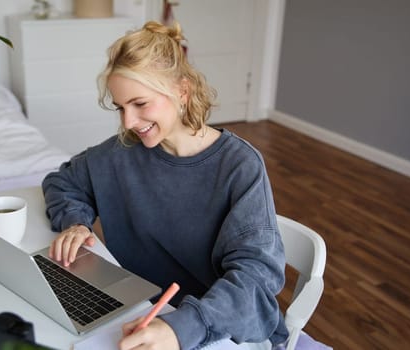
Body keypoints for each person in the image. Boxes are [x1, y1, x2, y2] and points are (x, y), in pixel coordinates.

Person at [42, 20, 288, 350]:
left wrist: (182, 329)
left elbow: (256, 281)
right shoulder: (121, 151)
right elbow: (62, 181)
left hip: (216, 325)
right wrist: (74, 222)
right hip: (141, 311)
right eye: (121, 108)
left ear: (181, 92)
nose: (128, 122)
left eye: (140, 104)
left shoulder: (239, 166)